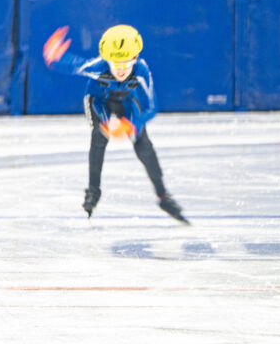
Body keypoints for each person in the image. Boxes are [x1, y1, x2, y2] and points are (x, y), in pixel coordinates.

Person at [43, 24, 189, 224]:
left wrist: (132, 125)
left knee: (142, 143)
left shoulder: (142, 71)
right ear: (106, 60)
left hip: (128, 103)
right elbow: (75, 65)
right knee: (99, 136)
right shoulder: (99, 66)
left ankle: (163, 196)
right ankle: (93, 191)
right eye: (115, 64)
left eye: (126, 64)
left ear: (135, 59)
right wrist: (54, 57)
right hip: (99, 99)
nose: (121, 70)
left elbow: (151, 107)